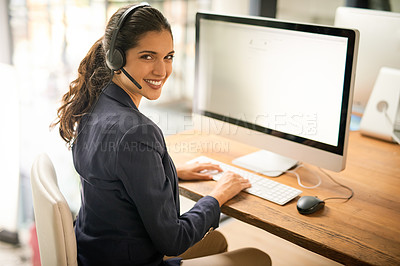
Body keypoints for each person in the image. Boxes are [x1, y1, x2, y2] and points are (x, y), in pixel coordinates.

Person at [52, 3, 271, 266]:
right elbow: (173, 240)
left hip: (94, 253)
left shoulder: (93, 104)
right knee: (257, 258)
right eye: (147, 56)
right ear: (116, 59)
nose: (162, 70)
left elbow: (114, 177)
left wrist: (168, 171)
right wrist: (218, 195)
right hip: (130, 260)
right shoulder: (135, 132)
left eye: (168, 56)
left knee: (217, 243)